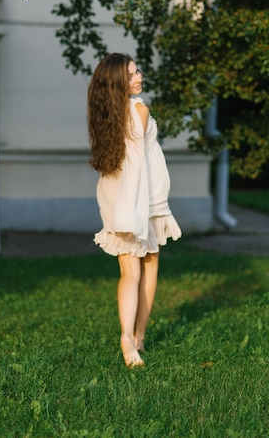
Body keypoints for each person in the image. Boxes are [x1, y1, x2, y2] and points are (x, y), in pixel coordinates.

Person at [87, 53, 182, 367]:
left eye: (137, 70)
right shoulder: (139, 109)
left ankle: (136, 339)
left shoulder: (109, 115)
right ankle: (131, 338)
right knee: (144, 268)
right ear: (117, 82)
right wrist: (133, 213)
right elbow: (138, 164)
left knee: (133, 269)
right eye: (130, 75)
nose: (138, 76)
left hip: (120, 195)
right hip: (142, 198)